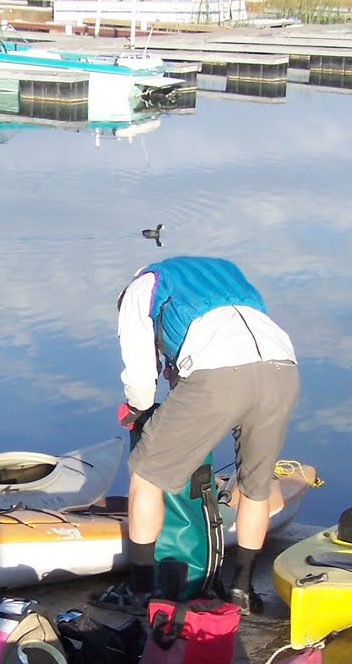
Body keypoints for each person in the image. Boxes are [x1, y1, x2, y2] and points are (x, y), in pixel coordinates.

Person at [107, 254, 299, 615]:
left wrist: (136, 409)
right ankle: (243, 590)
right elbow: (234, 331)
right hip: (282, 369)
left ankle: (141, 589)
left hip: (218, 376)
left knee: (146, 474)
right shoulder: (224, 272)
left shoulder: (139, 290)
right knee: (255, 486)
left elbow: (140, 381)